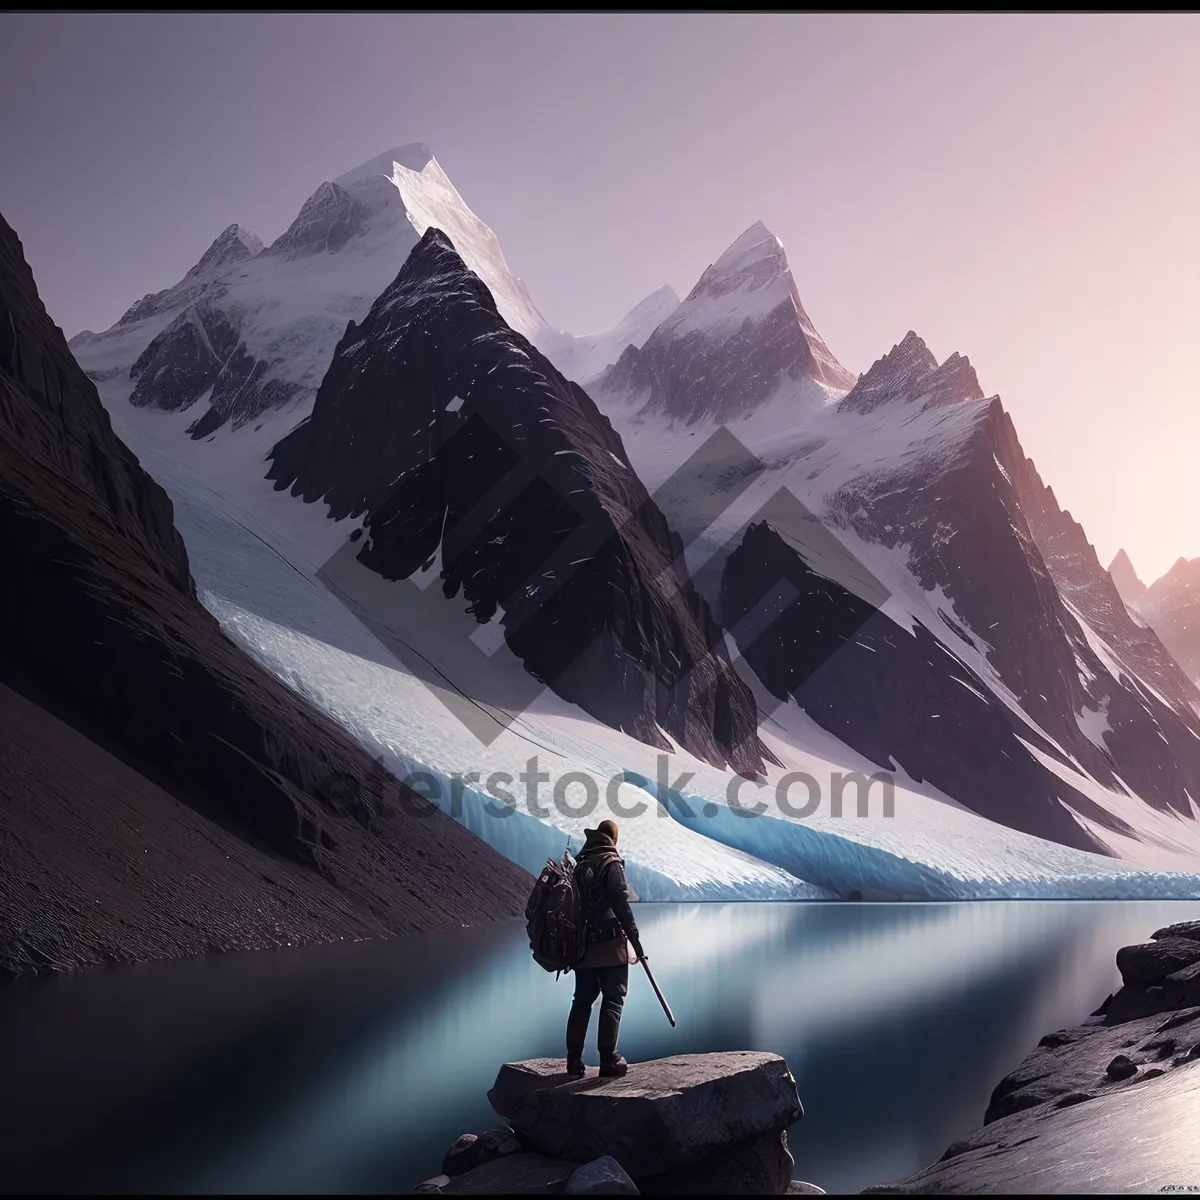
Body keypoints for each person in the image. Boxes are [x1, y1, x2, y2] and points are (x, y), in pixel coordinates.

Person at [566, 819, 645, 1079]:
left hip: (583, 946)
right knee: (613, 1000)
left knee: (582, 1000)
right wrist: (636, 942)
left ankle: (574, 1060)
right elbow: (621, 905)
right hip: (610, 945)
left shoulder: (581, 863)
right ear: (613, 838)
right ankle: (608, 1060)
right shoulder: (611, 863)